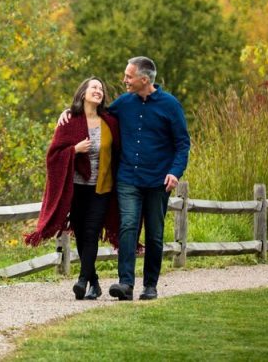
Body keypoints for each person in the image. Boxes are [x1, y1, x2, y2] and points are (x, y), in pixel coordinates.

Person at [59, 56, 190, 301]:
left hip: (158, 181)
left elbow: (183, 143)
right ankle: (126, 284)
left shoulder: (170, 105)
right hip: (128, 178)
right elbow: (97, 113)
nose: (124, 80)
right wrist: (70, 112)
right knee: (128, 226)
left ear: (144, 79)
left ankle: (150, 285)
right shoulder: (124, 103)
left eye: (129, 77)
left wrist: (175, 172)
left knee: (154, 234)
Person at [24, 77, 121, 300]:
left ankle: (82, 280)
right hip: (76, 189)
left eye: (101, 88)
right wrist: (74, 150)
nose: (98, 91)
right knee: (82, 234)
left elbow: (119, 152)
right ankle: (94, 283)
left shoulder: (110, 122)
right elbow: (53, 155)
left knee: (91, 232)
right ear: (83, 93)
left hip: (101, 188)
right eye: (94, 87)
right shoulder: (69, 120)